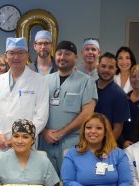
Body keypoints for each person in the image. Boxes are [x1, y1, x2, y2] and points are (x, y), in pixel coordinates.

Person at [39, 40, 98, 173]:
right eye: (59, 53)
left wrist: (61, 133)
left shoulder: (86, 82)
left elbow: (87, 113)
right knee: (47, 185)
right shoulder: (44, 81)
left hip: (72, 144)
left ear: (76, 58)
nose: (62, 57)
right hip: (46, 143)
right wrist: (43, 131)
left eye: (67, 54)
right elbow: (35, 110)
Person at [0, 37, 49, 152]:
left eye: (20, 53)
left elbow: (41, 116)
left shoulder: (39, 81)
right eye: (12, 53)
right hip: (1, 143)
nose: (16, 57)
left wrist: (23, 138)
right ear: (6, 56)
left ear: (27, 55)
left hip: (26, 144)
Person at [95, 52, 130, 140]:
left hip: (106, 145)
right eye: (103, 66)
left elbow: (118, 128)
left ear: (115, 70)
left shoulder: (120, 95)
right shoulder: (88, 88)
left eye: (111, 67)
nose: (106, 70)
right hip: (86, 141)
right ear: (98, 67)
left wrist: (106, 149)